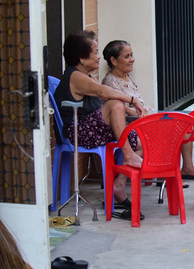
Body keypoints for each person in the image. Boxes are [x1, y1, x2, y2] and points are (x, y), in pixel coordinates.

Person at [54, 31, 147, 216]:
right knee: (116, 103)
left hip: (94, 129)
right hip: (79, 132)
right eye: (95, 52)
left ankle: (118, 187)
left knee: (144, 142)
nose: (99, 57)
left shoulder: (87, 75)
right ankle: (128, 156)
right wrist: (132, 99)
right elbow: (104, 93)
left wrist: (135, 112)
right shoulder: (75, 76)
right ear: (81, 58)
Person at [101, 40, 194, 185]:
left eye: (131, 55)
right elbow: (126, 112)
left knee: (186, 127)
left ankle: (187, 168)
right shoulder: (110, 82)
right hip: (133, 125)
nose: (132, 59)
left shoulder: (126, 77)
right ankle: (165, 174)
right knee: (172, 131)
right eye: (127, 56)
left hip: (144, 119)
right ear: (113, 60)